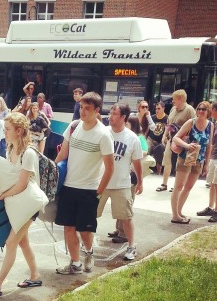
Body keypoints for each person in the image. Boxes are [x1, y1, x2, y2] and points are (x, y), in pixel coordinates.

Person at [0, 113, 47, 296]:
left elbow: (22, 184)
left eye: (7, 129)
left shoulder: (29, 153)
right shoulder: (10, 150)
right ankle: (35, 275)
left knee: (11, 242)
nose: (4, 132)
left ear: (19, 130)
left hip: (29, 204)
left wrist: (2, 195)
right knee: (22, 242)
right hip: (17, 203)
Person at [54, 92, 114, 274]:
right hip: (68, 187)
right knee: (68, 227)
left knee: (85, 230)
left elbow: (110, 168)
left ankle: (88, 252)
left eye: (88, 108)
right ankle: (75, 263)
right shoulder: (73, 127)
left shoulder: (103, 135)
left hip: (89, 190)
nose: (83, 111)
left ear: (97, 111)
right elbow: (62, 155)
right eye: (81, 107)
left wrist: (99, 192)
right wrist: (51, 174)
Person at [97, 103, 143, 261]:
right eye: (110, 112)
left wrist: (140, 182)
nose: (110, 116)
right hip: (100, 183)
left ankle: (131, 246)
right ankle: (86, 243)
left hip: (122, 184)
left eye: (114, 113)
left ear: (123, 117)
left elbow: (137, 163)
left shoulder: (132, 138)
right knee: (90, 214)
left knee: (126, 217)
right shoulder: (103, 133)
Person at [170, 101, 213, 224]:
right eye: (199, 108)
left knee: (188, 187)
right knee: (179, 186)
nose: (200, 111)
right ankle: (175, 215)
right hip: (185, 158)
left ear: (208, 111)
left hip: (198, 160)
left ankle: (179, 211)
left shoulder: (210, 125)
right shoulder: (191, 122)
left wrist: (206, 163)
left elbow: (209, 145)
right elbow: (176, 138)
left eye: (203, 109)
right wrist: (187, 145)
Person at [157, 89, 196, 192]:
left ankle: (177, 185)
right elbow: (169, 124)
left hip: (182, 141)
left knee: (179, 162)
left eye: (174, 99)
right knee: (167, 160)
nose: (172, 101)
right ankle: (164, 184)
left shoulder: (189, 110)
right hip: (171, 139)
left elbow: (193, 126)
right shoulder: (173, 109)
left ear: (180, 99)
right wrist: (164, 135)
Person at [196, 101, 217, 222]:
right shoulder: (214, 124)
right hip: (214, 156)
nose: (209, 112)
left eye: (211, 110)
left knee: (216, 184)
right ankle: (211, 207)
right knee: (212, 184)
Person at [147, 101, 168, 175]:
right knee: (146, 148)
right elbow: (148, 128)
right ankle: (145, 168)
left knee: (160, 150)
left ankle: (159, 172)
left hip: (160, 141)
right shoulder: (152, 117)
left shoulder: (167, 118)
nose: (157, 110)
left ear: (163, 108)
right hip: (151, 139)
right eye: (156, 109)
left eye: (159, 108)